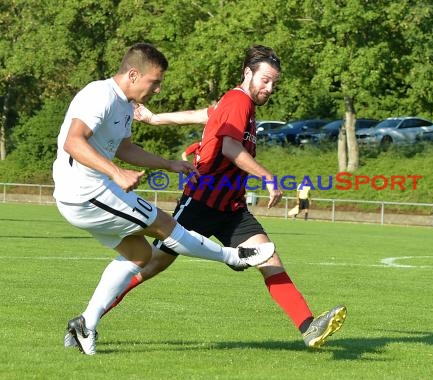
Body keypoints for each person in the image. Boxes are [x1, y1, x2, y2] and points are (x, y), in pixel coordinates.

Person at [93, 45, 347, 349]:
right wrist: (267, 177)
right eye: (265, 80)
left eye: (274, 83)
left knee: (269, 258)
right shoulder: (238, 100)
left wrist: (157, 119)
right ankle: (87, 321)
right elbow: (229, 148)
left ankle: (309, 327)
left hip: (231, 208)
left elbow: (204, 115)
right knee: (149, 264)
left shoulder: (239, 105)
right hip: (201, 201)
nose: (269, 88)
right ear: (248, 73)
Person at [54, 43, 274, 355]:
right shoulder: (99, 95)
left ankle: (85, 324)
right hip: (85, 193)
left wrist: (168, 164)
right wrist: (116, 173)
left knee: (139, 256)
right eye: (154, 82)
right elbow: (74, 142)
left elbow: (125, 148)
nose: (157, 90)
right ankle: (232, 257)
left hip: (94, 190)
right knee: (165, 226)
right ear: (133, 74)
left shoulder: (123, 103)